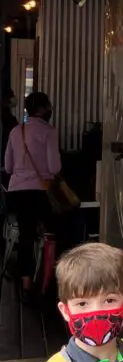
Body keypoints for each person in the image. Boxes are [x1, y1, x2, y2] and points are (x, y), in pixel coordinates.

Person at [3, 92, 59, 294]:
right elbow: (54, 168)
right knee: (55, 228)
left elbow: (8, 167)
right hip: (39, 194)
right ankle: (49, 278)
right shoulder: (49, 132)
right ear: (43, 109)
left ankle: (26, 282)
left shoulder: (16, 131)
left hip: (16, 194)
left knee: (26, 235)